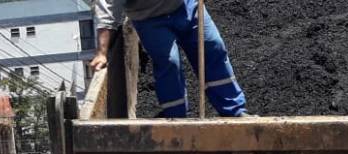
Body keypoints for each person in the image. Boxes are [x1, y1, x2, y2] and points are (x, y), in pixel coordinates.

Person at [92, 0, 248, 118]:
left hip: (186, 6)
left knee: (213, 46)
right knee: (169, 62)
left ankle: (234, 110)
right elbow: (107, 7)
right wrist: (102, 52)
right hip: (149, 18)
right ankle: (176, 118)